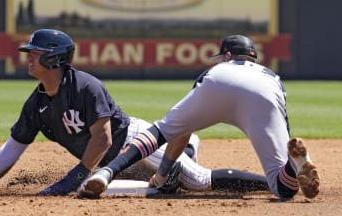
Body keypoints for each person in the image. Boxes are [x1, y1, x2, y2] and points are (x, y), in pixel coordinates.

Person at [0, 30, 269, 197]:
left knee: (194, 182)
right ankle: (186, 147)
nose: (28, 58)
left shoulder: (86, 87)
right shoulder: (37, 103)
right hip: (111, 162)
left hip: (135, 142)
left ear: (55, 58)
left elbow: (103, 138)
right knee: (158, 187)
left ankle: (273, 182)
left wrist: (73, 177)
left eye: (35, 53)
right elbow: (13, 145)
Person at [79, 35, 320, 199]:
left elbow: (180, 132)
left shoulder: (218, 69)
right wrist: (288, 153)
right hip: (265, 93)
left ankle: (105, 172)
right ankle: (296, 163)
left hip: (219, 83)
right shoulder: (271, 75)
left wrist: (162, 175)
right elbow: (285, 132)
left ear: (227, 55)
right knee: (283, 188)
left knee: (160, 131)